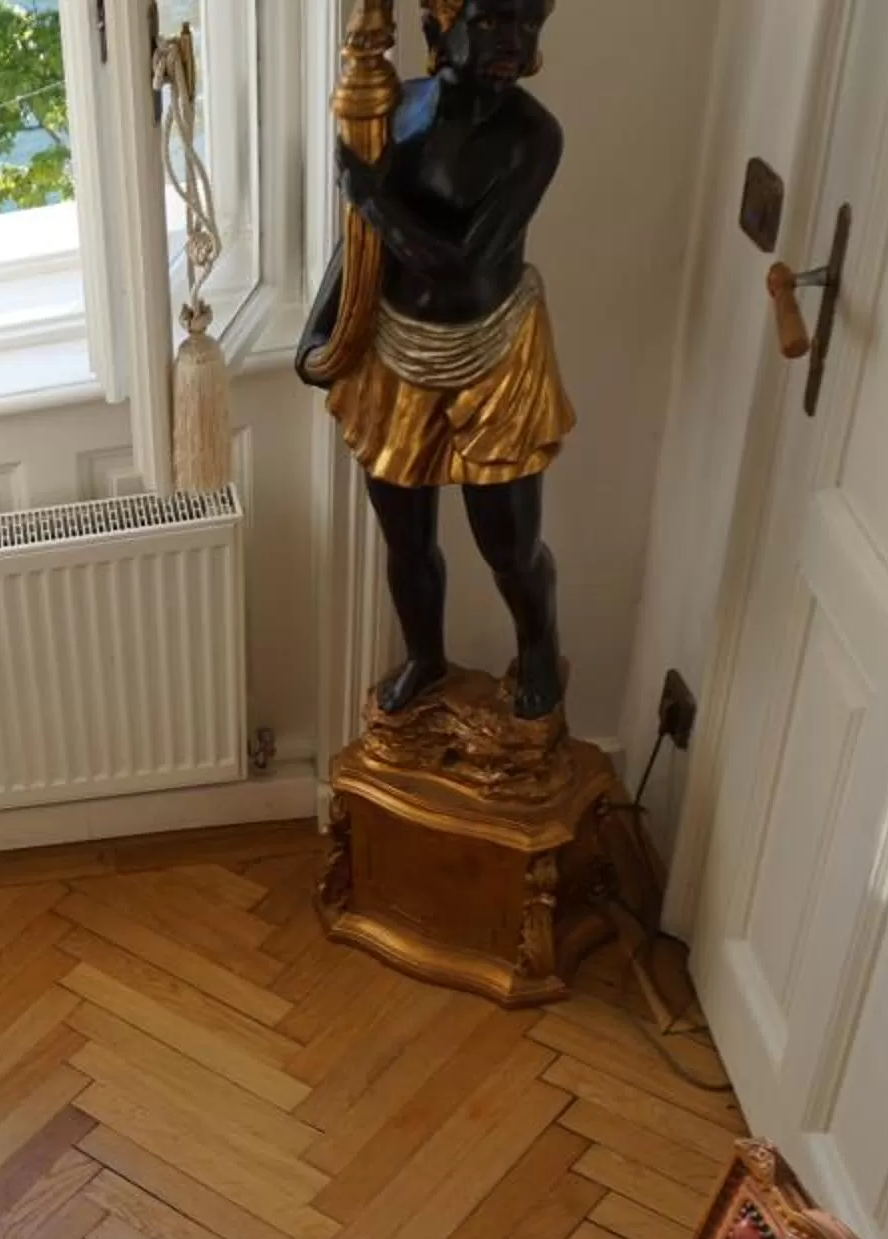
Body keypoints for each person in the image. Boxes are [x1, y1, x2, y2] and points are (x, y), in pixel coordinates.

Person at [299, 0, 574, 719]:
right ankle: (426, 654)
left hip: (494, 357)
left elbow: (463, 265)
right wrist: (321, 325)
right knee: (406, 539)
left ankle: (538, 647)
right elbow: (360, 245)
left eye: (525, 21)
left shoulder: (533, 137)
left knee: (508, 545)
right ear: (435, 31)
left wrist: (369, 194)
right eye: (488, 21)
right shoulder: (399, 106)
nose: (511, 40)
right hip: (396, 354)